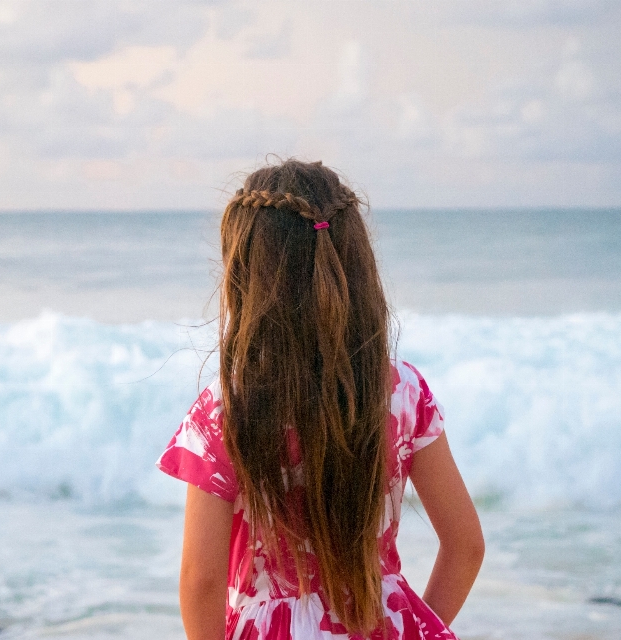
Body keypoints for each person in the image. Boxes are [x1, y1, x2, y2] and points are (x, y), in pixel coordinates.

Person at [157, 159, 484, 640]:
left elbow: (201, 580)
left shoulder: (229, 408)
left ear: (246, 276)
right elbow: (465, 544)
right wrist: (419, 628)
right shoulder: (401, 393)